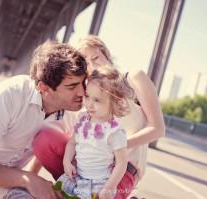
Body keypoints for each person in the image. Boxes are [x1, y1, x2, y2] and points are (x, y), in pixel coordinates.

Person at [33, 35, 165, 199]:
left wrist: (114, 149)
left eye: (96, 57)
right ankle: (70, 191)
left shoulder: (133, 78)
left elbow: (158, 129)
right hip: (87, 166)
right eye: (86, 62)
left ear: (106, 54)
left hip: (122, 168)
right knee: (44, 138)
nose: (93, 64)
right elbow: (66, 136)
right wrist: (28, 178)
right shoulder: (85, 94)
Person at [0, 40, 87, 199]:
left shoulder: (73, 113)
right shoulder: (12, 94)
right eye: (72, 87)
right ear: (44, 88)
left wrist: (33, 181)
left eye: (83, 83)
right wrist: (29, 180)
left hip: (9, 178)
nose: (82, 92)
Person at [59, 66, 134, 199]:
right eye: (87, 96)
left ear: (114, 103)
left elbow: (121, 163)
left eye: (97, 100)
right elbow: (72, 143)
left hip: (97, 184)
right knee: (56, 194)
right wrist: (66, 162)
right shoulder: (83, 120)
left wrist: (110, 187)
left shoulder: (114, 132)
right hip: (75, 176)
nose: (89, 104)